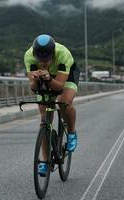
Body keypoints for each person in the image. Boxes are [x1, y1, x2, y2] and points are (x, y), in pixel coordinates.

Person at [24, 34, 80, 176]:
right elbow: (33, 88)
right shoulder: (29, 56)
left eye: (46, 59)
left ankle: (72, 132)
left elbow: (60, 88)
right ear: (35, 54)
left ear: (53, 54)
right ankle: (45, 161)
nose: (43, 62)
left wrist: (49, 78)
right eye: (40, 59)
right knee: (44, 121)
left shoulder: (63, 54)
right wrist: (35, 80)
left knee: (64, 102)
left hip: (66, 77)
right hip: (46, 78)